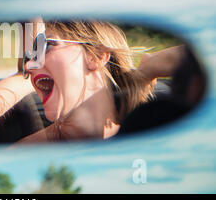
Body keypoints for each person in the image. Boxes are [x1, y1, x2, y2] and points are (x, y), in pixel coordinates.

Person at [14, 19, 186, 143]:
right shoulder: (25, 153)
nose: (29, 65)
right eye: (30, 56)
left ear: (96, 56)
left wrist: (150, 67)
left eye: (47, 45)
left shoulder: (151, 131)